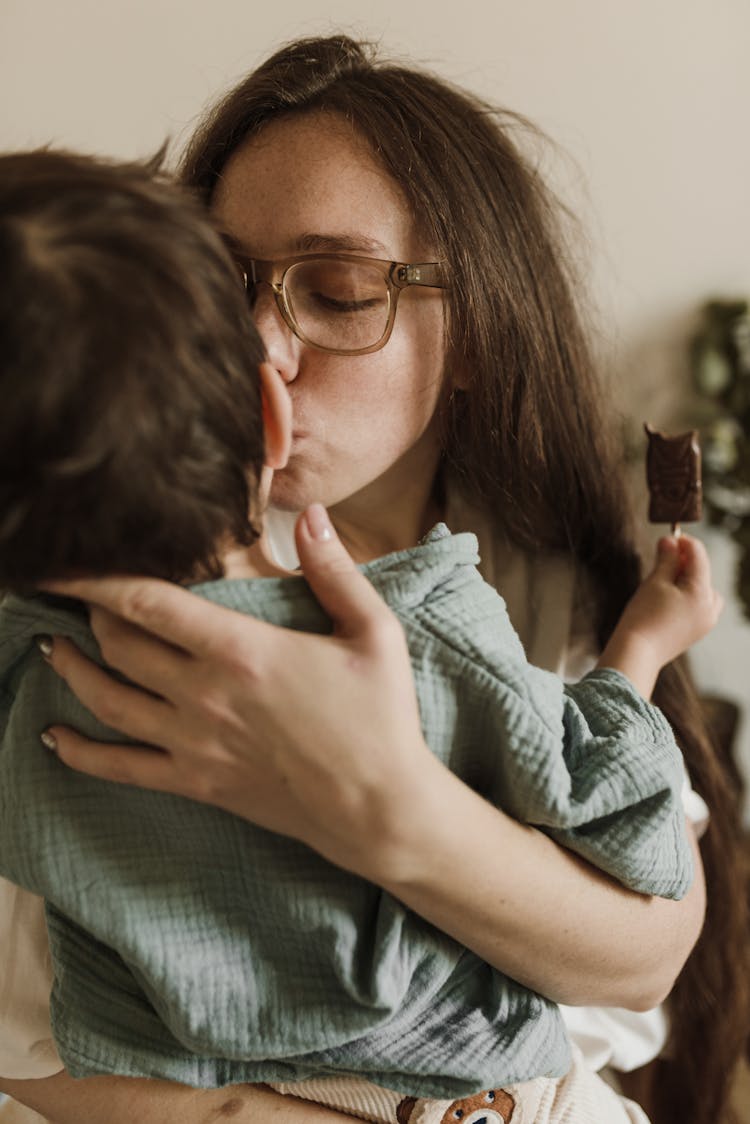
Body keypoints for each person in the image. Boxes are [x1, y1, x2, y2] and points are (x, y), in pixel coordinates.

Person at [0, 33, 747, 1124]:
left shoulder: (532, 587)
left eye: (339, 291)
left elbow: (643, 955)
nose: (261, 342)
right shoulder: (62, 604)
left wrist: (382, 801)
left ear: (481, 330)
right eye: (224, 283)